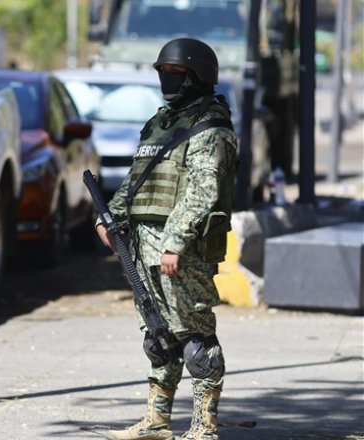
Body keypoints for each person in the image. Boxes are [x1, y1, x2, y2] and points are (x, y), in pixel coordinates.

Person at [96, 38, 238, 440]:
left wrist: (174, 242)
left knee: (194, 336)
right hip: (142, 243)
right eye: (164, 74)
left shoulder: (211, 125)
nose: (168, 81)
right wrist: (108, 217)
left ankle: (204, 428)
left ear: (197, 76)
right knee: (158, 336)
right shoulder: (162, 122)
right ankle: (157, 421)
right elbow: (136, 178)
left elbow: (203, 190)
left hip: (183, 248)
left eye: (176, 74)